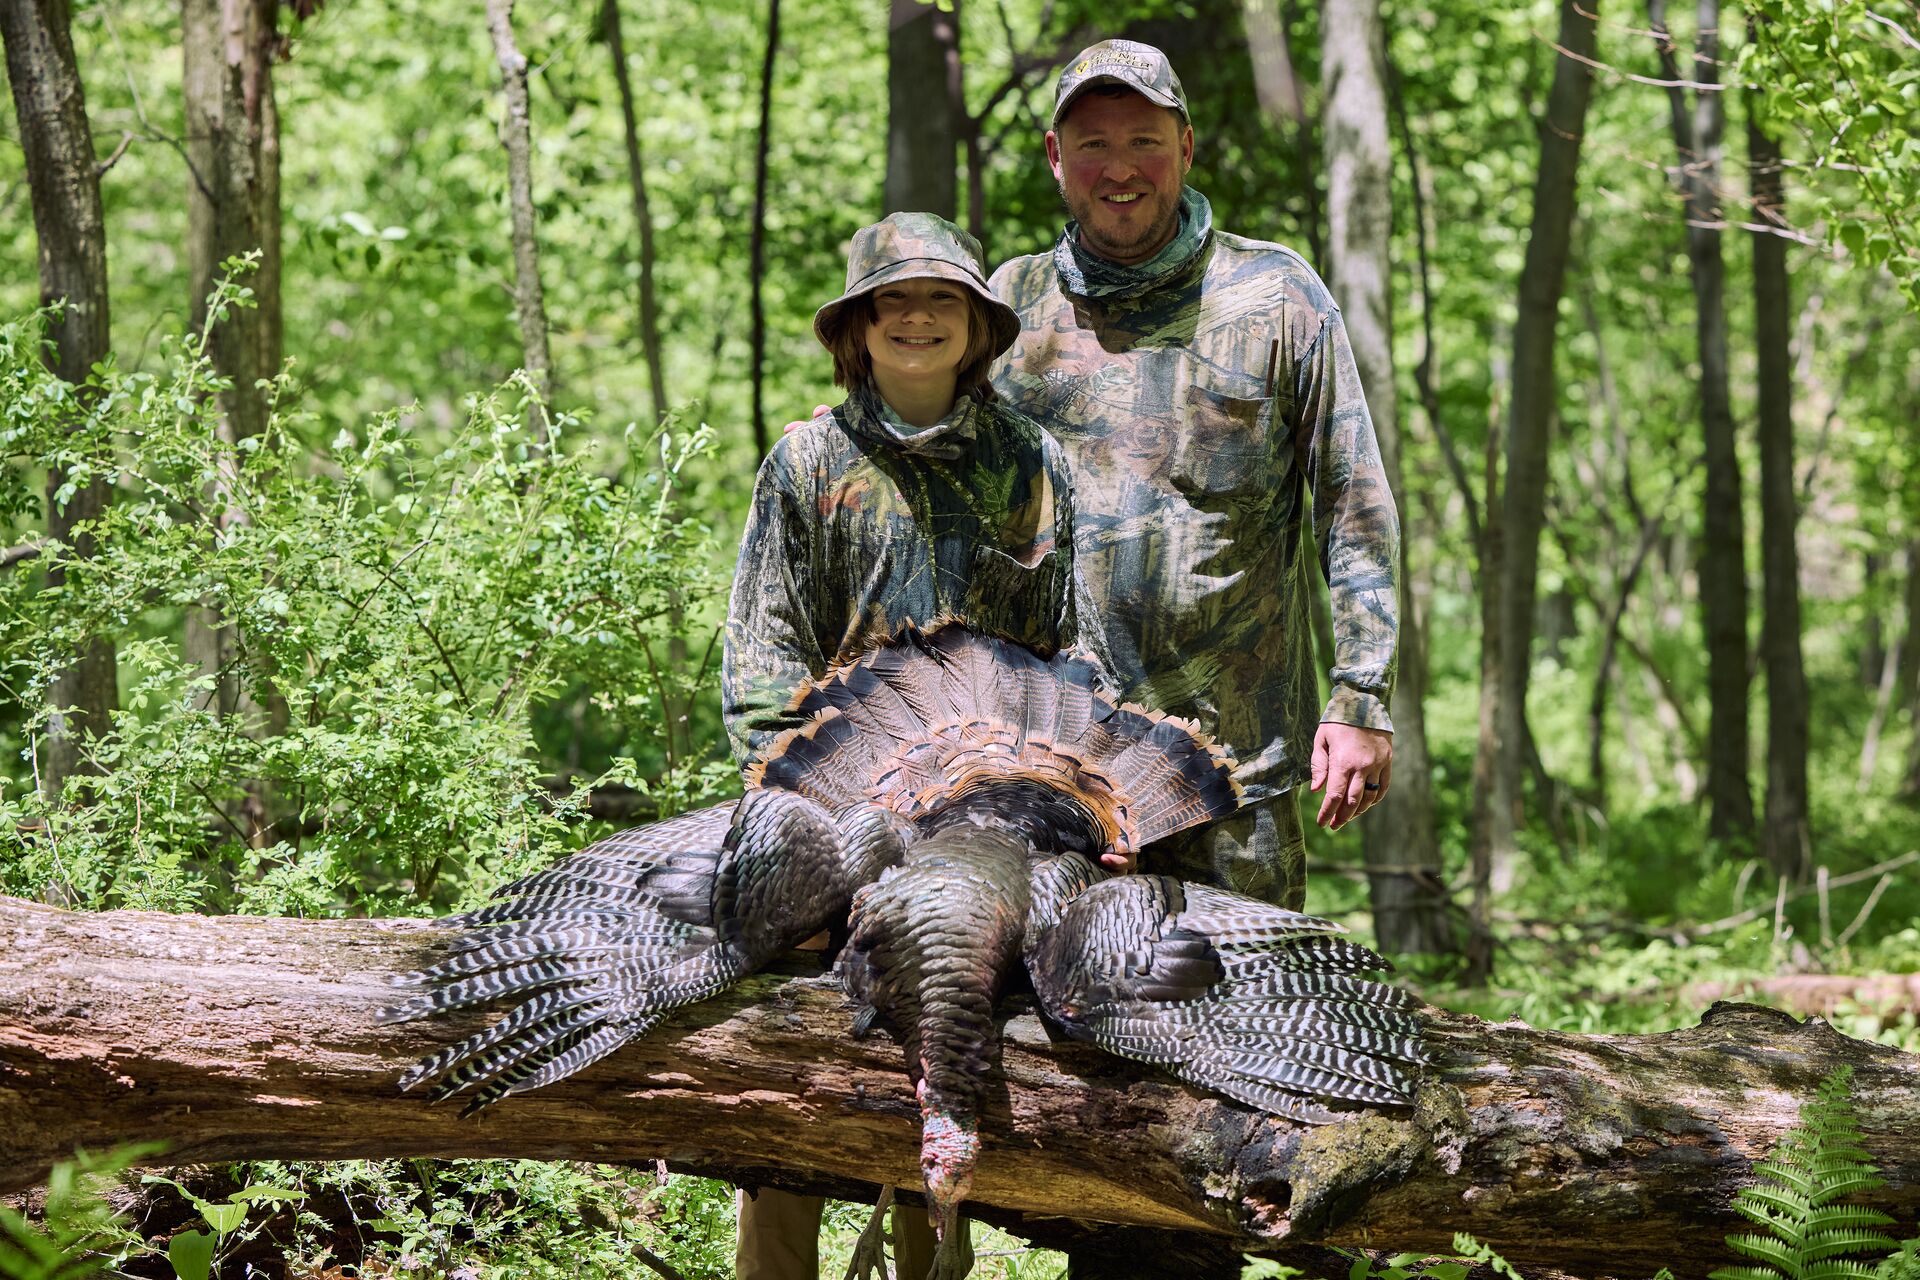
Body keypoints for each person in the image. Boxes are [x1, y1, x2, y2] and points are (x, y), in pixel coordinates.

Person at [722, 211, 1083, 1280]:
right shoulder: (808, 460)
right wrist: (796, 793)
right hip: (836, 808)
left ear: (975, 327)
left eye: (943, 300)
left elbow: (1067, 646)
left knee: (945, 1052)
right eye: (893, 300)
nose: (917, 317)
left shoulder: (1033, 460)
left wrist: (1052, 800)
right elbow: (760, 657)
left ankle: (933, 1256)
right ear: (858, 328)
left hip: (983, 821)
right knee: (784, 1088)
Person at [987, 38, 1401, 910]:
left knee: (1249, 1028)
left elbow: (1352, 504)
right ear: (1057, 159)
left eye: (1144, 140)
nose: (1120, 168)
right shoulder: (1009, 307)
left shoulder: (1277, 296)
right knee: (1050, 1037)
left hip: (1236, 778)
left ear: (1186, 145)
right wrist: (843, 444)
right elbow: (936, 491)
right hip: (1056, 779)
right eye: (1094, 144)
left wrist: (1360, 696)